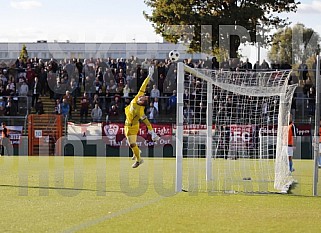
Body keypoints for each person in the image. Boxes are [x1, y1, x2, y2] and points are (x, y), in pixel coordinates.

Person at [124, 67, 160, 168]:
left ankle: (139, 160)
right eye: (143, 95)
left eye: (143, 97)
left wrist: (152, 131)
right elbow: (143, 85)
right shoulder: (137, 97)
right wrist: (149, 76)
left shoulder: (140, 111)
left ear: (142, 102)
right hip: (126, 123)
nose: (142, 95)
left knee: (132, 144)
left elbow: (147, 122)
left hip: (133, 126)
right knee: (130, 143)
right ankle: (136, 152)